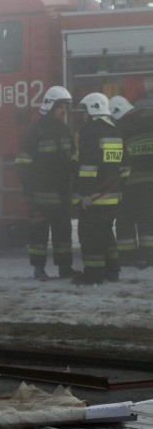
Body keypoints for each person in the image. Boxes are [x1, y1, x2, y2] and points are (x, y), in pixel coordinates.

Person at [14, 86, 79, 280]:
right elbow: (23, 164)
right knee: (39, 235)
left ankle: (65, 268)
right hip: (40, 195)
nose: (64, 111)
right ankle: (39, 269)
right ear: (50, 106)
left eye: (65, 108)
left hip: (61, 194)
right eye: (61, 107)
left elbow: (73, 159)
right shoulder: (34, 131)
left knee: (63, 234)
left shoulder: (65, 130)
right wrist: (28, 193)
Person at [71, 92, 130, 285]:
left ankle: (93, 274)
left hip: (95, 197)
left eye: (84, 110)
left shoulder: (90, 132)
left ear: (92, 108)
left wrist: (83, 194)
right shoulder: (115, 130)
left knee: (90, 236)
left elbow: (88, 167)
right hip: (113, 196)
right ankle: (112, 271)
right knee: (106, 234)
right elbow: (125, 167)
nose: (82, 115)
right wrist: (119, 186)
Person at [110, 96, 153, 269]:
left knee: (125, 219)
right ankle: (148, 255)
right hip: (151, 183)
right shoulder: (149, 122)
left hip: (128, 184)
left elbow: (116, 160)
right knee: (148, 219)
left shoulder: (118, 130)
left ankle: (127, 256)